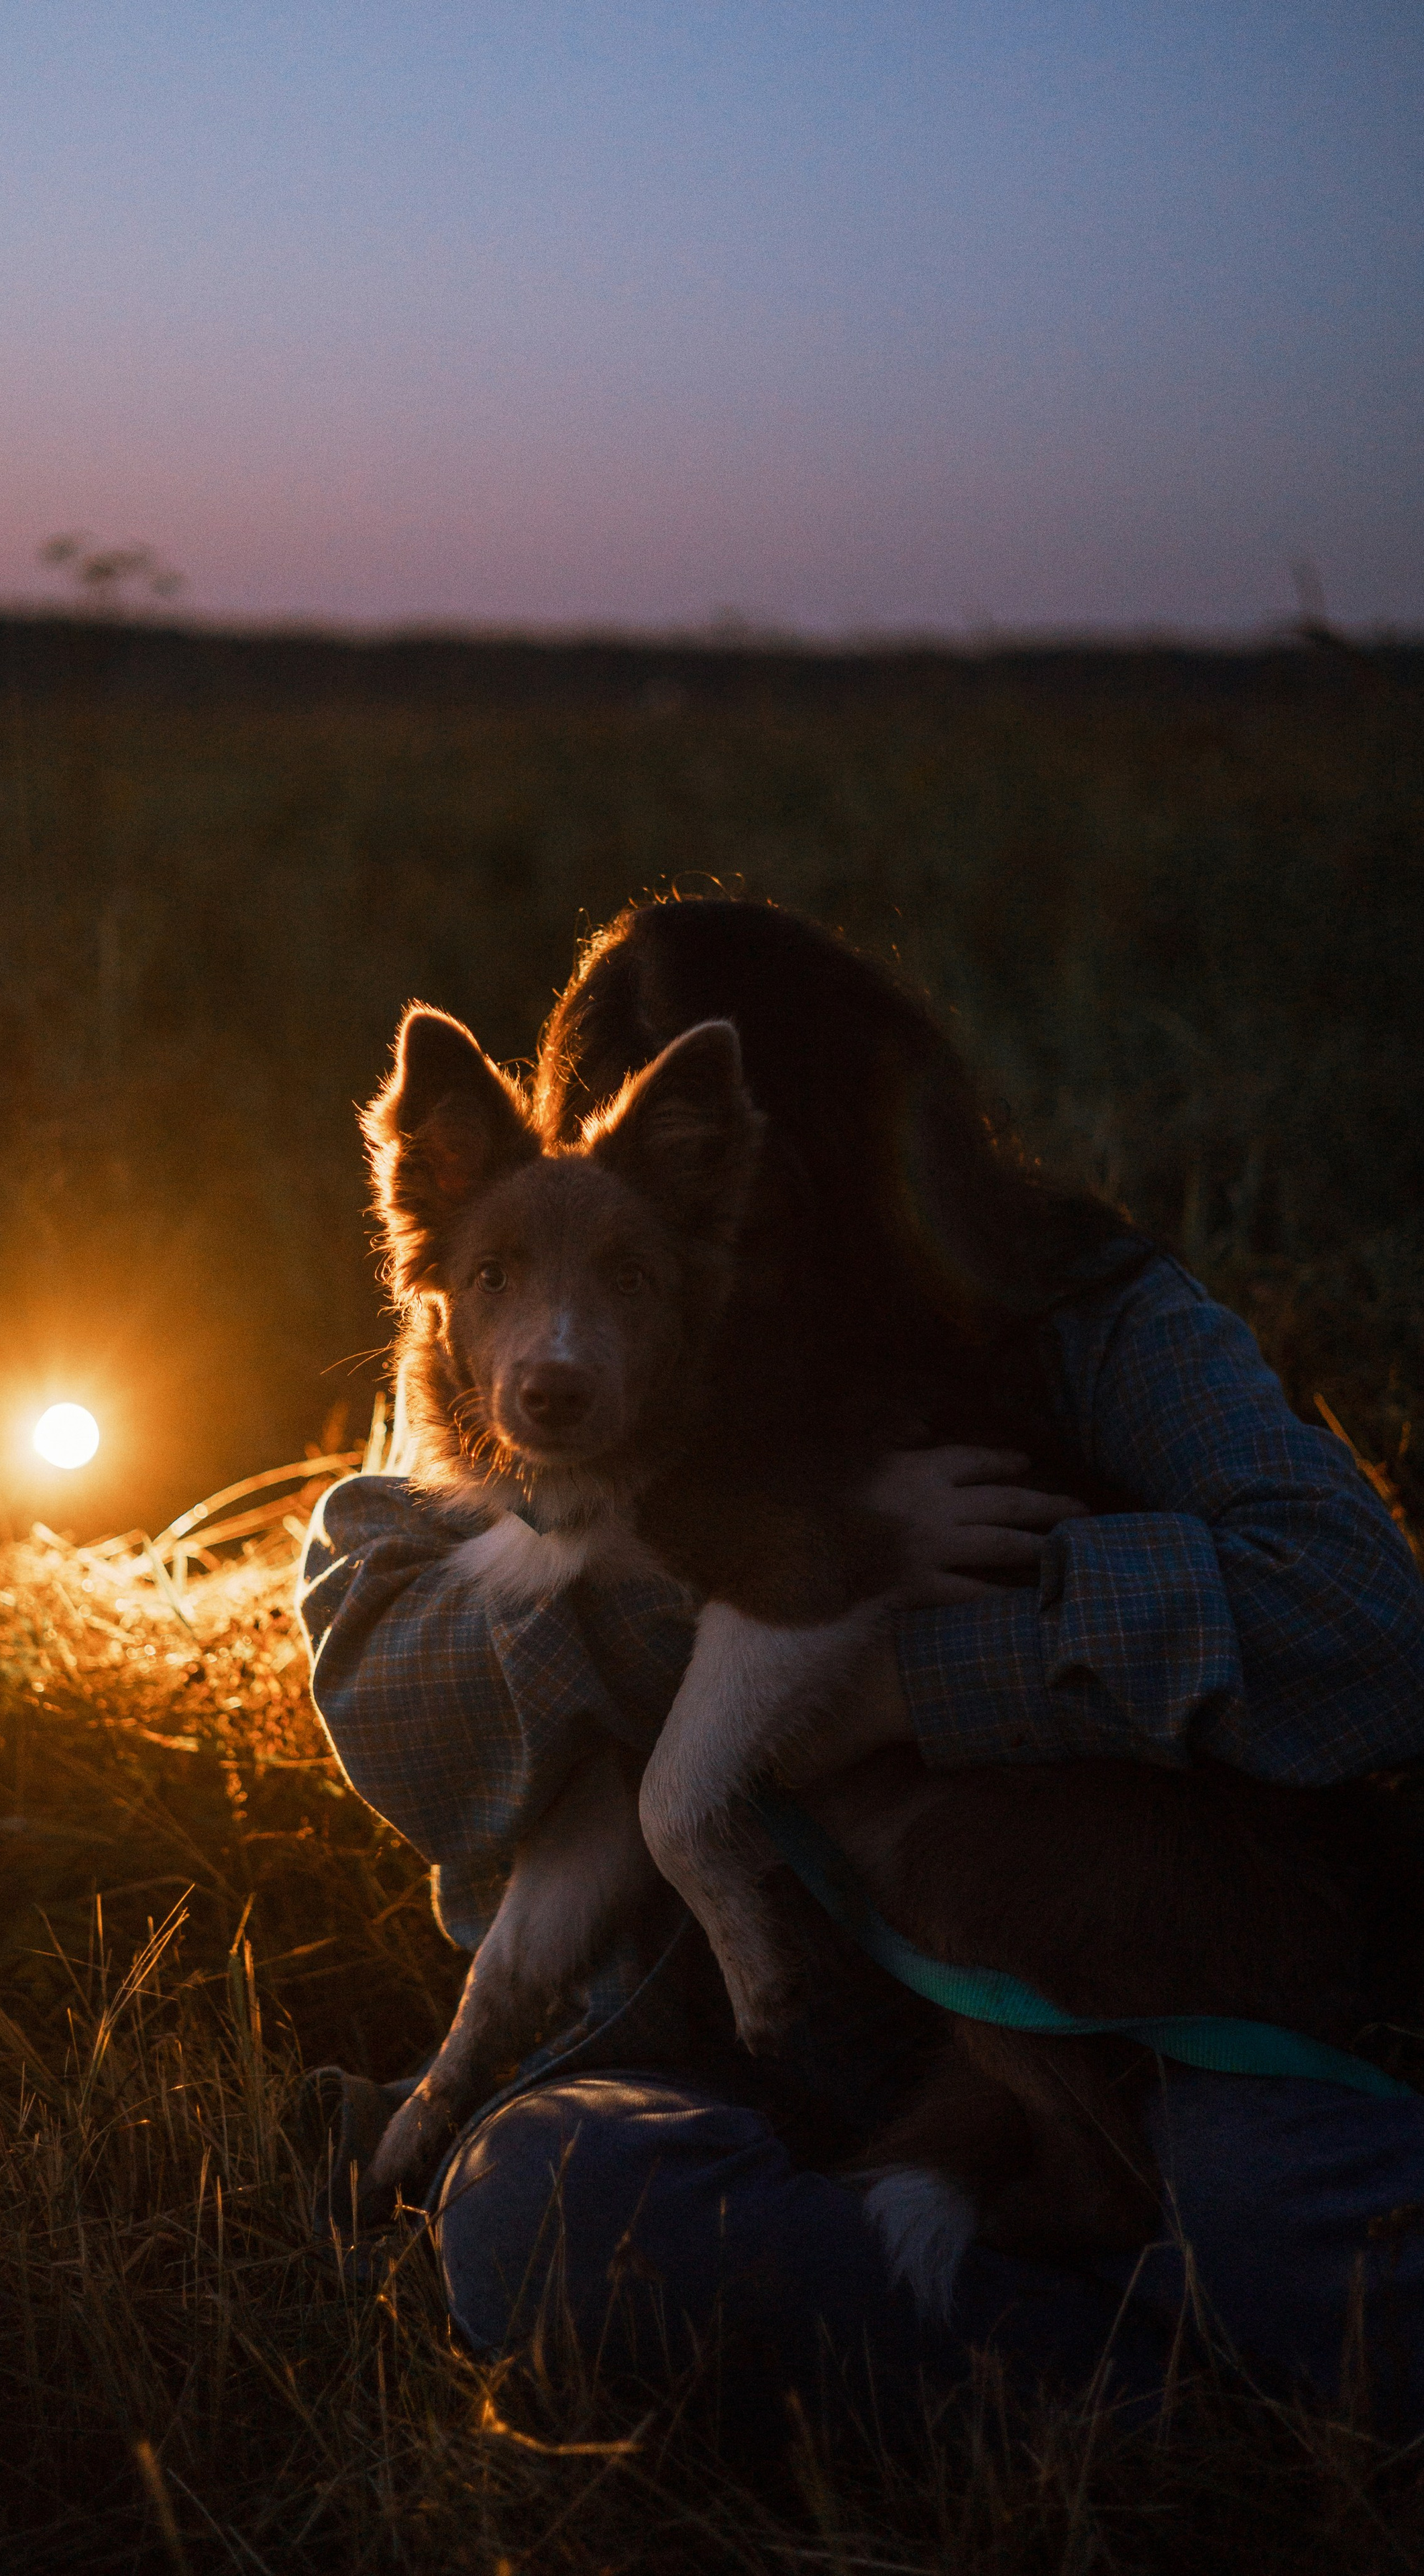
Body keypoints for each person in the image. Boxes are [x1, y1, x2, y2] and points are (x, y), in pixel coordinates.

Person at [298, 898, 1424, 2432]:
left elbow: (1359, 1622)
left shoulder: (1081, 1309)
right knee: (539, 2208)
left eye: (738, 1185)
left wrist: (915, 1676)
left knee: (1291, 2212)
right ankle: (1165, 2378)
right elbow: (394, 1693)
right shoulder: (537, 1360)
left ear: (874, 1160)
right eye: (636, 1163)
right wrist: (773, 1581)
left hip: (1119, 2006)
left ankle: (1098, 2349)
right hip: (739, 2043)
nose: (696, 1249)